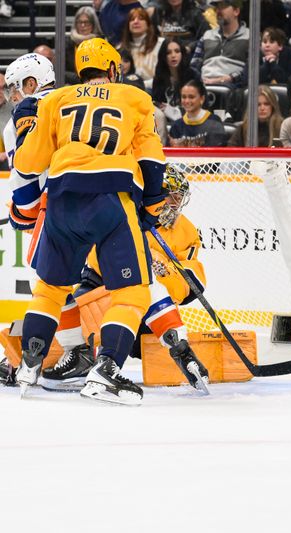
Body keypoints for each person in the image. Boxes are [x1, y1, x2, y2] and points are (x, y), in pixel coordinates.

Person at [9, 37, 206, 404]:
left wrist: (23, 200)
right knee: (132, 292)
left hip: (62, 199)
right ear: (113, 69)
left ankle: (29, 364)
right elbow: (151, 160)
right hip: (112, 198)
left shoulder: (55, 99)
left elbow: (26, 163)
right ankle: (106, 370)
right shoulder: (133, 98)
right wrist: (150, 208)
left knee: (50, 288)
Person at [42, 165, 210, 395]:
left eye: (179, 197)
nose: (175, 203)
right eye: (171, 195)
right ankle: (23, 357)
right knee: (68, 314)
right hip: (100, 283)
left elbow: (191, 282)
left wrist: (163, 271)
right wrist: (136, 260)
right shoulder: (125, 210)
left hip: (147, 309)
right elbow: (97, 253)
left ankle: (180, 351)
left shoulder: (186, 231)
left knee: (145, 295)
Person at [0, 53, 56, 384]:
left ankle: (68, 351)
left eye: (14, 88)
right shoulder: (72, 100)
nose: (12, 97)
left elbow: (26, 176)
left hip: (58, 206)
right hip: (110, 201)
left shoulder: (22, 114)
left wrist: (22, 211)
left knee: (51, 282)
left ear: (31, 84)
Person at [190, 0, 250, 88]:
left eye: (223, 6)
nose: (218, 11)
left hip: (233, 87)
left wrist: (229, 78)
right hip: (204, 85)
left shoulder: (250, 36)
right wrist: (200, 80)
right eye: (216, 7)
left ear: (236, 11)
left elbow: (251, 70)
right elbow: (194, 65)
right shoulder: (207, 35)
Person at [168, 79, 229, 147]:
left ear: (202, 99)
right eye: (184, 97)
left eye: (191, 97)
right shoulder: (176, 126)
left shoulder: (214, 122)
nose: (187, 101)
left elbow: (217, 152)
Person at [152, 37, 199, 121]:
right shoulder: (159, 77)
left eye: (177, 51)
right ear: (163, 56)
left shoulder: (193, 75)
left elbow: (198, 105)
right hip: (165, 120)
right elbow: (156, 102)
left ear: (182, 53)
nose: (173, 56)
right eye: (168, 53)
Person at [118, 7, 165, 86]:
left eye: (141, 19)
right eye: (132, 19)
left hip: (153, 89)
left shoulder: (161, 44)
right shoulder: (120, 48)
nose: (136, 22)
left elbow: (163, 77)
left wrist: (139, 85)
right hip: (127, 90)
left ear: (148, 24)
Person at [66, 6, 104, 84]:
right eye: (80, 22)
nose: (83, 26)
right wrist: (77, 78)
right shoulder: (68, 43)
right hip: (72, 85)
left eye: (86, 22)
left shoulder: (101, 44)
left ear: (93, 24)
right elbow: (60, 70)